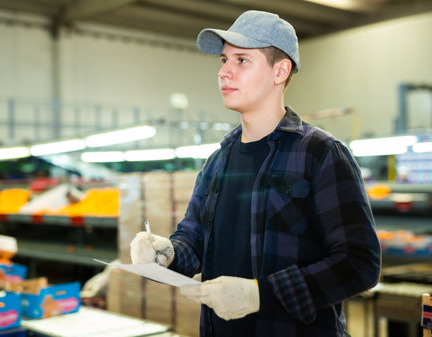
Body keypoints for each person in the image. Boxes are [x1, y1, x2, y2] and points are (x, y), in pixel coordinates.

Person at [130, 9, 381, 337]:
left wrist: (262, 295)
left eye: (242, 61)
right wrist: (165, 253)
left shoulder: (320, 154)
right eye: (223, 61)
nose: (225, 72)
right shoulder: (217, 162)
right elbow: (194, 243)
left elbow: (359, 263)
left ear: (280, 70)